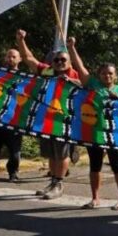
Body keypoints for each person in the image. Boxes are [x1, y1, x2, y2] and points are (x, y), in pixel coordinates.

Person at [66, 37, 118, 210]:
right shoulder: (93, 84)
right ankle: (95, 198)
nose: (107, 76)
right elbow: (79, 67)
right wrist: (71, 48)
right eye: (104, 73)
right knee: (95, 165)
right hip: (94, 131)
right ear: (99, 75)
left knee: (117, 164)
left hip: (114, 133)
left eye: (110, 73)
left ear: (115, 75)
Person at [16, 29, 81, 200]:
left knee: (62, 153)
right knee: (51, 153)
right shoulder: (46, 71)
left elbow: (86, 86)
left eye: (63, 60)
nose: (59, 62)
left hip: (65, 120)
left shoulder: (73, 74)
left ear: (69, 62)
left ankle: (59, 183)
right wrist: (21, 41)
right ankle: (52, 182)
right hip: (45, 119)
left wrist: (72, 80)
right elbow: (29, 59)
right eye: (56, 60)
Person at [0, 48, 23, 183]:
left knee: (15, 152)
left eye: (14, 57)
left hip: (14, 122)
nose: (10, 59)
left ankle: (13, 172)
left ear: (19, 59)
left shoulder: (25, 79)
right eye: (8, 56)